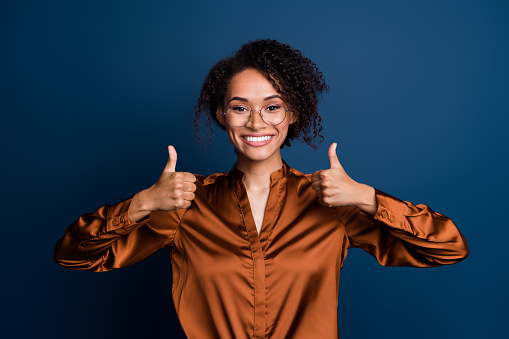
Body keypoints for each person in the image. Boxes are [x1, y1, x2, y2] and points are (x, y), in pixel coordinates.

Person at [54, 39, 469, 339]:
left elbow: (447, 248)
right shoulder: (183, 205)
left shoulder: (333, 204)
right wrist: (142, 204)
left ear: (292, 114)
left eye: (272, 107)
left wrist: (366, 197)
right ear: (222, 114)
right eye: (240, 108)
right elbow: (74, 256)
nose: (256, 123)